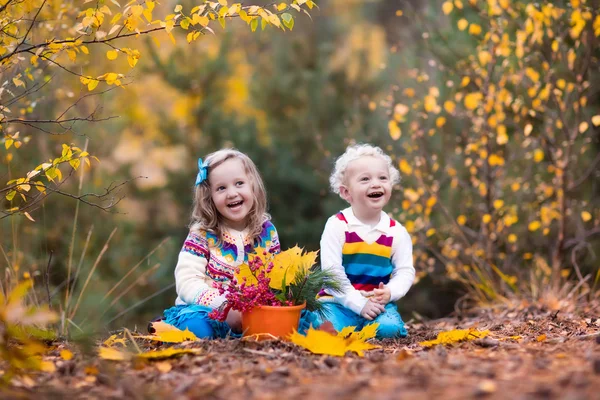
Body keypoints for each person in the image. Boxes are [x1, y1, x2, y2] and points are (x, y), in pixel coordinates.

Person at [158, 149, 281, 338]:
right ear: (210, 198)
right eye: (221, 188)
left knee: (301, 322)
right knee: (196, 328)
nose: (232, 193)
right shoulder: (202, 234)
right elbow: (187, 282)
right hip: (207, 312)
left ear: (253, 187)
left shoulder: (266, 231)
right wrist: (223, 306)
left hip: (253, 313)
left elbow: (277, 277)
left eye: (239, 183)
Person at [318, 144, 415, 339]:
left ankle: (364, 330)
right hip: (337, 304)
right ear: (346, 192)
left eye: (383, 178)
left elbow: (405, 271)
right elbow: (332, 274)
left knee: (389, 329)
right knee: (325, 327)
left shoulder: (396, 232)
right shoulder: (338, 226)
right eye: (365, 179)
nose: (376, 184)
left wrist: (390, 291)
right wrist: (359, 304)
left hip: (377, 306)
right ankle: (349, 329)